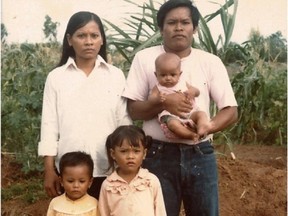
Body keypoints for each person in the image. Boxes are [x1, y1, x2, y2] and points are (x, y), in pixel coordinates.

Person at [122, 0, 238, 215]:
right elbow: (135, 110)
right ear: (161, 28)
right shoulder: (145, 58)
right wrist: (164, 103)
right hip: (157, 154)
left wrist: (207, 128)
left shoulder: (210, 62)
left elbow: (230, 111)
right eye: (171, 22)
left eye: (185, 22)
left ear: (194, 28)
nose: (178, 27)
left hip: (200, 152)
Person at [38, 11, 131, 200]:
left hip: (109, 169)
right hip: (72, 174)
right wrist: (49, 170)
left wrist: (127, 167)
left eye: (94, 36)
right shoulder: (56, 77)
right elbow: (49, 126)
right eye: (81, 35)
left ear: (102, 40)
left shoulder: (115, 75)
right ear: (70, 40)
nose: (88, 41)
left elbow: (124, 124)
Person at [98, 125, 167, 216]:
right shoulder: (108, 185)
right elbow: (103, 213)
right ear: (113, 154)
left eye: (136, 151)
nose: (130, 156)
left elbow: (160, 212)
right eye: (123, 151)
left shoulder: (151, 181)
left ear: (144, 153)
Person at [151, 52, 211, 141]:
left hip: (190, 113)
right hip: (170, 116)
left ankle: (202, 128)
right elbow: (151, 99)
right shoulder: (158, 87)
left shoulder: (183, 83)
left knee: (201, 114)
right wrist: (158, 99)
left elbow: (197, 92)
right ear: (156, 75)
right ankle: (190, 135)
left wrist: (193, 91)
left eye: (172, 75)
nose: (168, 78)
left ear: (180, 74)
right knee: (173, 125)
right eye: (163, 75)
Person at [47, 151, 100, 216]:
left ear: (90, 182)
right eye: (70, 181)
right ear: (61, 181)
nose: (76, 186)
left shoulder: (94, 204)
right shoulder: (55, 203)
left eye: (82, 181)